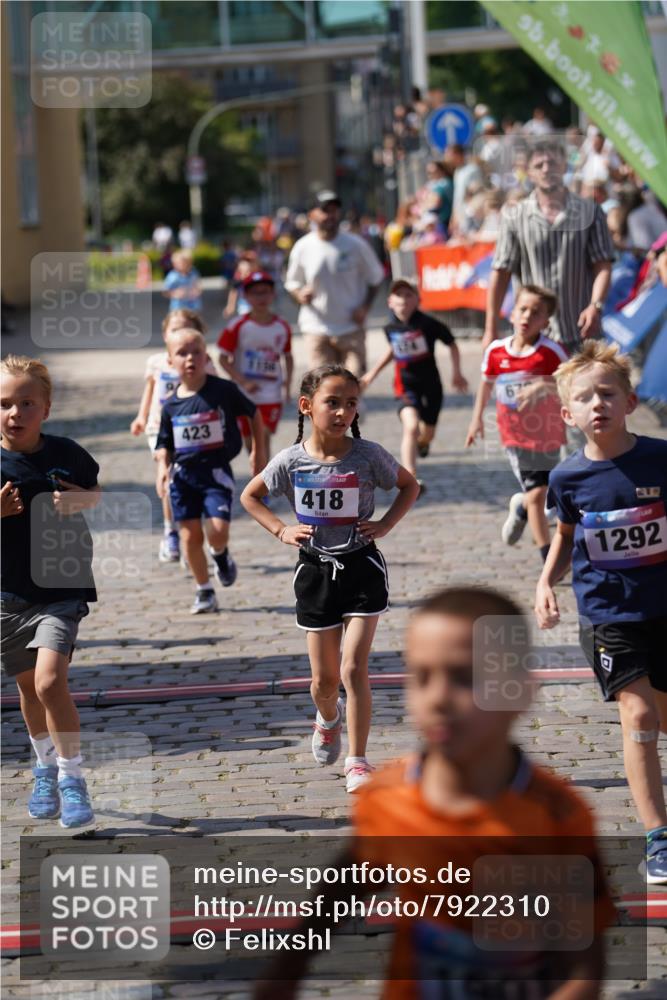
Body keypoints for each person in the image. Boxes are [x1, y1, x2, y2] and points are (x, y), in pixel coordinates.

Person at [254, 587, 614, 999]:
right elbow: (338, 894)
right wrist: (286, 970)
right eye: (422, 677)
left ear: (520, 692)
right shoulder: (388, 798)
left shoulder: (557, 817)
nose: (439, 698)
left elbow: (585, 966)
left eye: (464, 677)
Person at [240, 365, 418, 793]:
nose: (342, 412)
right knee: (323, 682)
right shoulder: (290, 460)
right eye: (332, 402)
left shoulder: (368, 454)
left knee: (354, 668)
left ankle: (357, 760)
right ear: (307, 406)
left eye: (351, 403)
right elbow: (250, 496)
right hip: (316, 572)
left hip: (361, 567)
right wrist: (281, 529)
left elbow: (409, 486)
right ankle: (327, 718)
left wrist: (386, 524)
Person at [535, 341, 667, 884]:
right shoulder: (567, 480)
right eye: (585, 398)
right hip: (609, 614)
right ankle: (658, 836)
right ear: (568, 415)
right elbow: (566, 537)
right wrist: (546, 581)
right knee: (638, 717)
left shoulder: (660, 458)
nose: (598, 405)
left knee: (661, 715)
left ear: (630, 400)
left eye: (607, 394)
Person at [1, 356, 101, 827]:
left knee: (47, 681)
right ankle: (43, 764)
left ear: (46, 408)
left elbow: (94, 491)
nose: (14, 413)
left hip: (61, 584)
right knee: (26, 686)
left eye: (26, 403)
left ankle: (71, 776)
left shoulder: (67, 452)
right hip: (7, 595)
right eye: (4, 404)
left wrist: (79, 499)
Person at [155, 328, 266, 614]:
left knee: (217, 530)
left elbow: (253, 413)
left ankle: (220, 554)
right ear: (170, 361)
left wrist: (257, 450)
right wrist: (162, 470)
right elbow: (163, 444)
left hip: (216, 473)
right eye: (182, 353)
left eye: (196, 352)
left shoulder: (222, 390)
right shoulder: (170, 407)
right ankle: (204, 590)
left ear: (206, 357)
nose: (190, 358)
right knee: (190, 536)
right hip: (183, 478)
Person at [483, 141, 614, 354]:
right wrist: (490, 329)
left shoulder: (591, 212)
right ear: (529, 172)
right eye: (539, 165)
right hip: (532, 339)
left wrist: (595, 306)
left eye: (552, 163)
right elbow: (501, 272)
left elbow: (603, 265)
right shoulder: (515, 216)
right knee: (534, 389)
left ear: (564, 167)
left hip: (581, 333)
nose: (546, 169)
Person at [466, 285, 567, 560]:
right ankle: (549, 557)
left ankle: (521, 508)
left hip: (547, 433)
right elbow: (486, 386)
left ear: (546, 322)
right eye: (523, 309)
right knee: (537, 494)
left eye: (536, 313)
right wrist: (476, 421)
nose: (527, 316)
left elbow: (571, 382)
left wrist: (543, 385)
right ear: (511, 314)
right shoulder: (497, 351)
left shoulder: (551, 352)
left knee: (547, 499)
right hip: (515, 436)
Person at [360, 280, 468, 492]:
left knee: (427, 432)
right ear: (390, 302)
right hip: (405, 387)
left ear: (418, 300)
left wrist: (457, 372)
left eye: (409, 295)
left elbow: (452, 343)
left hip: (431, 385)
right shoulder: (390, 327)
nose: (403, 299)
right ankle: (411, 478)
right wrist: (371, 374)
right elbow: (393, 350)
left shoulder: (428, 324)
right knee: (411, 427)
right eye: (398, 295)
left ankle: (424, 443)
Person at [130, 308, 217, 563]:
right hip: (159, 427)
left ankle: (193, 530)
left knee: (189, 482)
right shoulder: (156, 361)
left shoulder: (204, 361)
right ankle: (170, 531)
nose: (180, 334)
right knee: (167, 479)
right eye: (174, 330)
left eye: (187, 328)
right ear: (165, 334)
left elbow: (216, 392)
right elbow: (150, 390)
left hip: (191, 428)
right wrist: (140, 416)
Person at [284, 190, 384, 377]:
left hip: (351, 328)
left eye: (334, 210)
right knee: (323, 388)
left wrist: (365, 307)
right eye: (325, 210)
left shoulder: (355, 245)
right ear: (312, 214)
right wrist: (299, 294)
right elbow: (292, 282)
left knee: (353, 386)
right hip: (316, 328)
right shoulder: (303, 246)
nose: (330, 215)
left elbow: (376, 277)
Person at [217, 271, 293, 461]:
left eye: (265, 292)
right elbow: (223, 359)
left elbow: (288, 357)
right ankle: (258, 480)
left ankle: (263, 486)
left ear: (273, 294)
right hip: (244, 395)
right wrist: (243, 381)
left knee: (263, 436)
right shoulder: (237, 325)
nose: (261, 297)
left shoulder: (282, 326)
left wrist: (287, 386)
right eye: (256, 293)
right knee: (250, 443)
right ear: (246, 296)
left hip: (271, 393)